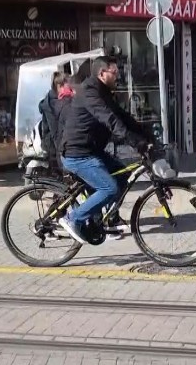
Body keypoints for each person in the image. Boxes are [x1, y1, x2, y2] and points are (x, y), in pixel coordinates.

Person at [58, 57, 151, 244]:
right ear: (102, 73)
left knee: (122, 176)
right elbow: (110, 119)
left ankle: (105, 219)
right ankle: (73, 218)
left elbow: (123, 117)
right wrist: (135, 143)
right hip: (78, 154)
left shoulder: (105, 92)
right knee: (109, 188)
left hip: (92, 151)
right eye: (114, 72)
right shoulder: (89, 92)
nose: (118, 76)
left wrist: (147, 136)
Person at [37, 70, 70, 168]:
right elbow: (55, 132)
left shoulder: (61, 100)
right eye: (68, 85)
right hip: (54, 147)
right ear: (59, 86)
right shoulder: (51, 105)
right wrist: (62, 154)